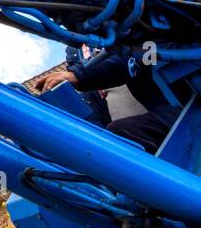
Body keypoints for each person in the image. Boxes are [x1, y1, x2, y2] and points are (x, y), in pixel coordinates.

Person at [36, 46, 180, 153]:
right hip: (138, 130)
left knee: (122, 133)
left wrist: (82, 75)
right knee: (114, 138)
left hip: (173, 112)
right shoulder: (77, 54)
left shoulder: (133, 33)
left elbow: (141, 53)